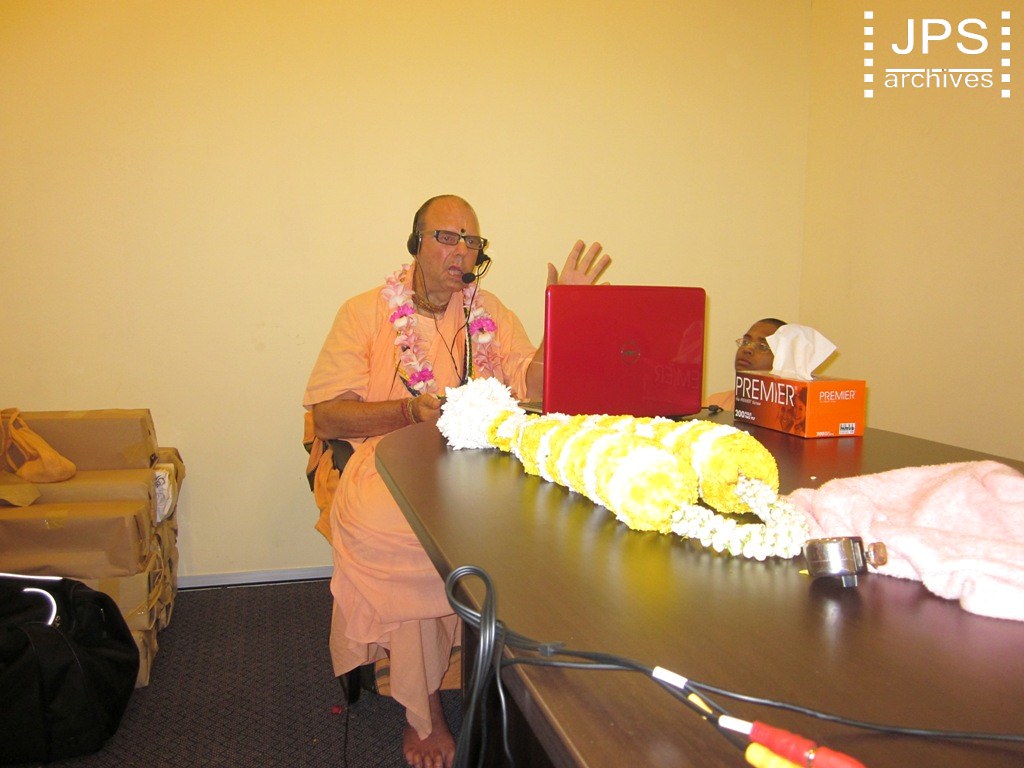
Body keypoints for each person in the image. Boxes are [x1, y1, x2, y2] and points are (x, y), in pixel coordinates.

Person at [303, 194, 610, 768]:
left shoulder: (488, 311)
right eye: (447, 236)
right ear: (415, 243)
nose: (461, 250)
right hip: (386, 459)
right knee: (415, 539)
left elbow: (535, 385)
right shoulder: (363, 311)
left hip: (480, 461)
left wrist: (565, 313)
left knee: (553, 521)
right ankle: (424, 709)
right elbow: (328, 417)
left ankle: (520, 679)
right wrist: (408, 411)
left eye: (471, 240)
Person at [703, 318, 787, 411]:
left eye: (762, 346)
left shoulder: (790, 411)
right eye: (745, 342)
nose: (747, 349)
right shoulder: (715, 403)